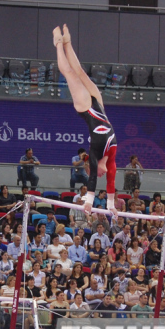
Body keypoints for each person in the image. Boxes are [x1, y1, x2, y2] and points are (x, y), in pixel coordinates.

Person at [53, 25, 118, 214]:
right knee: (80, 71)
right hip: (99, 104)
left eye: (93, 171)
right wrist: (111, 206)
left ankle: (57, 43)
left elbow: (93, 182)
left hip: (86, 108)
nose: (99, 174)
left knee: (70, 74)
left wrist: (89, 201)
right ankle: (68, 42)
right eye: (95, 173)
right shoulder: (112, 159)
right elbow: (111, 183)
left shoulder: (95, 153)